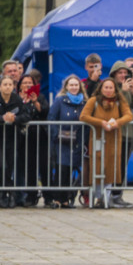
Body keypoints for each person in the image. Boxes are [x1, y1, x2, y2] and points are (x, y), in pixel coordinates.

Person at [79, 77, 133, 208]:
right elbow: (83, 116)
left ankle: (106, 198)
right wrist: (101, 123)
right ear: (101, 88)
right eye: (106, 87)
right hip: (97, 138)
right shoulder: (94, 101)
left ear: (115, 89)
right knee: (97, 167)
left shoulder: (120, 101)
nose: (108, 90)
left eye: (111, 88)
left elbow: (128, 115)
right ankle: (97, 197)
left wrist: (117, 123)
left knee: (111, 167)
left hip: (113, 139)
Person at [46, 75, 88, 208]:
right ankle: (58, 199)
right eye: (71, 85)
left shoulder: (84, 103)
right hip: (61, 141)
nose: (74, 87)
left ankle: (66, 199)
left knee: (71, 170)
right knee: (61, 169)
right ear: (66, 87)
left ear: (80, 87)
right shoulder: (60, 101)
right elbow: (51, 118)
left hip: (78, 141)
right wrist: (56, 135)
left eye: (76, 85)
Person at [0, 75, 32, 208]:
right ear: (0, 86)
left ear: (13, 87)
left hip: (13, 138)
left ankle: (9, 195)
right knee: (1, 166)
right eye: (5, 84)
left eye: (10, 84)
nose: (8, 87)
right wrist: (2, 118)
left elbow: (26, 115)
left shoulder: (17, 99)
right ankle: (6, 193)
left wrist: (15, 118)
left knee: (10, 166)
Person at [106, 61, 133, 207]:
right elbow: (120, 107)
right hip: (113, 133)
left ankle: (117, 195)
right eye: (120, 73)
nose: (122, 75)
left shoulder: (127, 88)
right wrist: (125, 91)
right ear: (114, 74)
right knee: (113, 165)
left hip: (127, 133)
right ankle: (109, 195)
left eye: (124, 73)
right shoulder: (109, 88)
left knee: (122, 166)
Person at [17, 73, 48, 207]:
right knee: (28, 166)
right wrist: (22, 101)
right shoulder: (16, 98)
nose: (28, 85)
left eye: (30, 83)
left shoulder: (40, 97)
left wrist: (35, 101)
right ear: (20, 86)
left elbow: (45, 111)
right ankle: (30, 195)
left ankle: (48, 195)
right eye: (25, 83)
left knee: (44, 165)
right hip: (23, 137)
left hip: (39, 135)